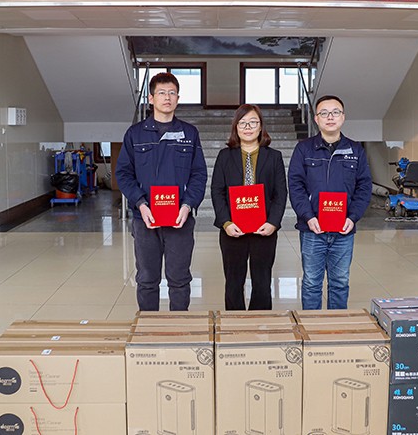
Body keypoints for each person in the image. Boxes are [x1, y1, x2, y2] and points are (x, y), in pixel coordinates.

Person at [115, 72, 207, 311]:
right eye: (162, 93)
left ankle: (179, 326)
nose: (167, 97)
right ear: (151, 98)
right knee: (147, 279)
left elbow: (199, 174)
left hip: (179, 219)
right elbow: (123, 174)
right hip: (145, 219)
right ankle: (149, 327)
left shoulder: (189, 133)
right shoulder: (135, 134)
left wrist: (187, 205)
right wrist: (140, 203)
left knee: (180, 279)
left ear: (178, 98)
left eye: (172, 93)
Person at [287, 95, 372, 310]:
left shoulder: (355, 150)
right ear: (316, 119)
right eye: (324, 113)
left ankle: (336, 324)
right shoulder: (304, 149)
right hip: (312, 228)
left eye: (335, 112)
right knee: (311, 282)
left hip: (344, 229)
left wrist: (353, 218)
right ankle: (311, 325)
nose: (330, 117)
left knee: (340, 283)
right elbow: (296, 186)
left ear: (343, 117)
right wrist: (308, 217)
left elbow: (364, 187)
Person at [211, 104, 288, 310]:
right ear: (235, 127)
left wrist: (273, 223)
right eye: (242, 123)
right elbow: (217, 192)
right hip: (232, 229)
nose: (248, 127)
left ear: (260, 126)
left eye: (253, 122)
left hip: (264, 229)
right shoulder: (225, 156)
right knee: (233, 283)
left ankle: (260, 324)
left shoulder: (274, 157)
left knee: (262, 283)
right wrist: (226, 223)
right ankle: (234, 324)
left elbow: (280, 194)